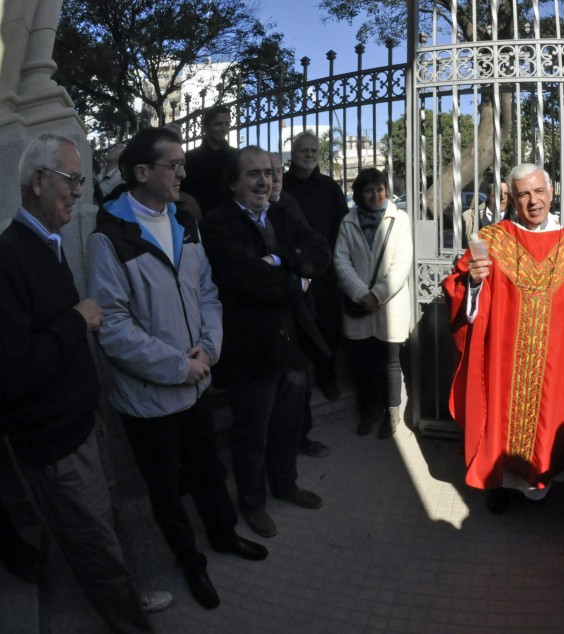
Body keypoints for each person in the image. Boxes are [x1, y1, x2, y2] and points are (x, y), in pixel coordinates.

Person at [86, 128, 269, 610]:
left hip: (196, 381)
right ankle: (192, 562)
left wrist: (208, 351)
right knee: (166, 489)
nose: (184, 174)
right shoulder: (110, 235)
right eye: (175, 165)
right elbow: (114, 327)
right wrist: (176, 366)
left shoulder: (186, 223)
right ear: (142, 173)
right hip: (150, 398)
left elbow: (207, 292)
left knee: (208, 469)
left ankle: (224, 534)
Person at [0, 132, 170, 632]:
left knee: (109, 526)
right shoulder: (9, 256)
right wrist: (78, 320)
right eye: (72, 179)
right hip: (57, 443)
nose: (80, 190)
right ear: (38, 181)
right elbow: (14, 371)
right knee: (94, 543)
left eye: (82, 180)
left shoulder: (46, 245)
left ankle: (132, 598)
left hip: (84, 421)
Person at [443, 163, 564, 514]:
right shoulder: (492, 240)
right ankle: (502, 484)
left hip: (554, 362)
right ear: (511, 198)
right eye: (524, 194)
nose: (533, 201)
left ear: (551, 193)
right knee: (501, 420)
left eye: (539, 192)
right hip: (504, 360)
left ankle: (540, 484)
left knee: (548, 422)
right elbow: (458, 290)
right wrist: (474, 282)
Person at [200, 146, 332, 538]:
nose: (265, 181)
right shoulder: (217, 224)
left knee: (288, 423)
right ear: (232, 182)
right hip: (249, 348)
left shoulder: (282, 211)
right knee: (251, 432)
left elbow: (319, 251)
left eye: (269, 174)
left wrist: (279, 261)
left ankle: (285, 484)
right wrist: (298, 281)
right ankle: (253, 502)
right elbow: (246, 280)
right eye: (253, 174)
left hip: (290, 341)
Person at [334, 168, 413, 438]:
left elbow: (402, 263)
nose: (376, 195)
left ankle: (391, 412)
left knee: (390, 362)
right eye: (369, 190)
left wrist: (377, 295)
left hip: (389, 305)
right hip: (360, 306)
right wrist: (361, 294)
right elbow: (340, 261)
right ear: (358, 194)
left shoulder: (399, 219)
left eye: (380, 189)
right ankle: (368, 411)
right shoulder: (348, 222)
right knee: (363, 364)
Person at [267, 151, 331, 458]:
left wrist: (300, 273)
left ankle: (301, 437)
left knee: (301, 380)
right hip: (271, 312)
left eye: (279, 171)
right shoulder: (253, 211)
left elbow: (314, 247)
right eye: (268, 172)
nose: (275, 178)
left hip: (299, 307)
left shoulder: (288, 203)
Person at [282, 130, 350, 401]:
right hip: (291, 269)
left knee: (328, 327)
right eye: (303, 151)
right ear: (293, 155)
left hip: (324, 271)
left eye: (313, 151)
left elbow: (342, 227)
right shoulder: (282, 186)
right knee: (295, 327)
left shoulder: (330, 188)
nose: (309, 155)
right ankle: (298, 383)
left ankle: (328, 377)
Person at [182, 105, 237, 213]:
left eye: (227, 124)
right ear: (206, 127)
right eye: (218, 124)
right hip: (200, 216)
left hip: (230, 217)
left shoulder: (237, 156)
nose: (224, 129)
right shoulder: (190, 158)